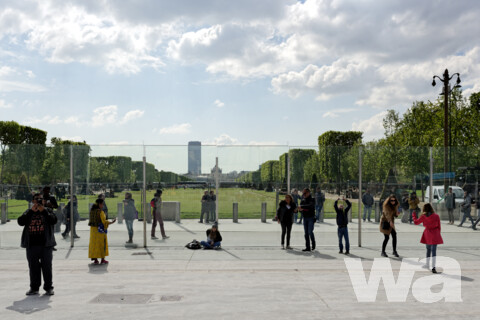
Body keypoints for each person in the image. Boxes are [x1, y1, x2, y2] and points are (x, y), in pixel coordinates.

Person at [18, 194, 57, 296]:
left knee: (47, 267)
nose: (38, 202)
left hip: (46, 245)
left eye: (41, 200)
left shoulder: (48, 211)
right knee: (33, 267)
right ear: (33, 201)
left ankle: (48, 287)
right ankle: (34, 288)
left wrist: (43, 211)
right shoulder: (28, 211)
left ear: (44, 201)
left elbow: (53, 220)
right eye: (37, 200)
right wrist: (31, 211)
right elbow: (20, 222)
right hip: (32, 245)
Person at [412, 203, 443, 273]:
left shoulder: (423, 216)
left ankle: (427, 264)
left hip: (427, 233)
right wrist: (438, 233)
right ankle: (433, 267)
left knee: (428, 249)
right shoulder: (436, 216)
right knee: (434, 251)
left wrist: (413, 215)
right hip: (435, 233)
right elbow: (439, 226)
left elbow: (416, 222)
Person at [88, 198, 115, 264]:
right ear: (99, 204)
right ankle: (102, 259)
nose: (102, 205)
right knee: (102, 244)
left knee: (94, 245)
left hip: (93, 231)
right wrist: (111, 222)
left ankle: (95, 259)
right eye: (102, 204)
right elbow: (104, 222)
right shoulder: (100, 212)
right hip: (100, 231)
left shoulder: (92, 211)